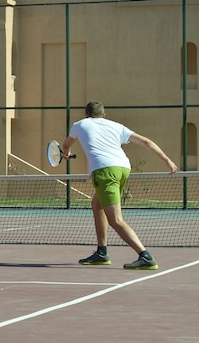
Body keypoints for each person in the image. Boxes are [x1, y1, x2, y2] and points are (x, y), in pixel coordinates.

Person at [63, 101, 178, 270]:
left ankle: (145, 256)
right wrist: (168, 161)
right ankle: (101, 253)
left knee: (116, 220)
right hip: (123, 168)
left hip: (104, 171)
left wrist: (67, 155)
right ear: (103, 115)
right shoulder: (116, 126)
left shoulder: (79, 125)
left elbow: (66, 145)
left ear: (86, 114)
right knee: (97, 204)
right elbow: (146, 142)